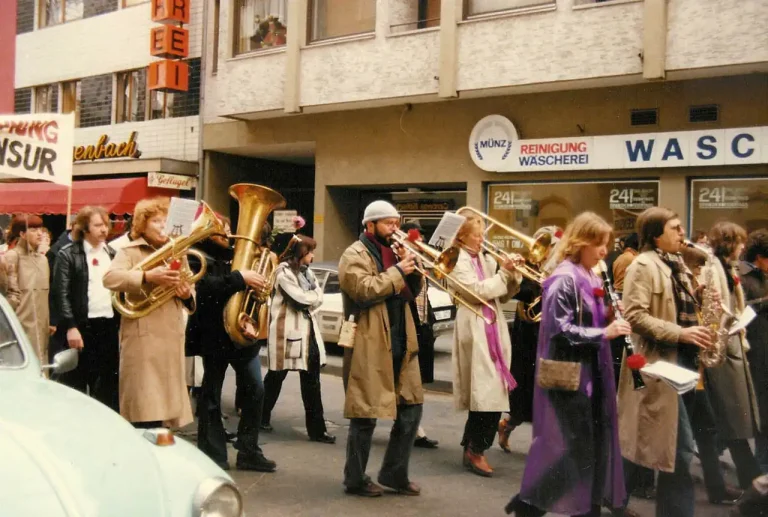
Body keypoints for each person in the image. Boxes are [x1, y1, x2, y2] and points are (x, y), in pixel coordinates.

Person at [505, 212, 630, 517]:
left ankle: (545, 503)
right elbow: (559, 330)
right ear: (581, 242)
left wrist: (611, 314)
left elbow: (588, 318)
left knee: (592, 446)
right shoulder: (564, 278)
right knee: (579, 448)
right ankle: (532, 503)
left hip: (593, 372)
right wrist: (605, 331)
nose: (604, 251)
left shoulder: (592, 274)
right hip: (571, 376)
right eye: (599, 244)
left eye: (606, 244)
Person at [618, 207, 713, 517]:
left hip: (683, 366)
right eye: (674, 228)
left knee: (649, 446)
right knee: (678, 450)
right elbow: (634, 315)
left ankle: (610, 496)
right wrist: (681, 333)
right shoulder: (642, 266)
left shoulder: (678, 266)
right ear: (656, 235)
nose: (681, 233)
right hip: (658, 365)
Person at [339, 200, 424, 497]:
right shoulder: (354, 254)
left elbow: (413, 292)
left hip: (402, 337)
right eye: (389, 224)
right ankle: (355, 478)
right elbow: (364, 290)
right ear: (370, 225)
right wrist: (399, 270)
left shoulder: (395, 251)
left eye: (396, 223)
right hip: (371, 340)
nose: (395, 229)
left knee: (412, 408)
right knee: (366, 414)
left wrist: (413, 269)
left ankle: (394, 473)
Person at [188, 216, 277, 472]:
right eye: (221, 230)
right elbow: (202, 288)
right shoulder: (197, 254)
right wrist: (240, 277)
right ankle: (213, 453)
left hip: (242, 337)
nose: (227, 233)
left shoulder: (242, 254)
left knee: (255, 390)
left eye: (228, 229)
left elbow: (259, 294)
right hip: (213, 335)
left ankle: (249, 450)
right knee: (211, 395)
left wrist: (255, 318)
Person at [103, 197, 194, 429]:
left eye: (166, 221)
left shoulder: (177, 252)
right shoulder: (129, 251)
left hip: (170, 334)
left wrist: (186, 295)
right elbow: (110, 278)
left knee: (166, 405)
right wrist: (146, 276)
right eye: (156, 221)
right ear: (143, 224)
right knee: (145, 403)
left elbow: (190, 286)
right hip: (143, 336)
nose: (162, 226)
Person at [450, 214, 522, 477]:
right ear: (461, 237)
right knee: (486, 392)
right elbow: (476, 290)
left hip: (491, 320)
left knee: (489, 391)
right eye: (477, 235)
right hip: (475, 323)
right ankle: (476, 449)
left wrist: (512, 272)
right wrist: (503, 274)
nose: (483, 240)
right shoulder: (456, 258)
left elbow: (501, 294)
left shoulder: (482, 257)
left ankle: (472, 444)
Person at [701, 222, 762, 489]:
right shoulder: (717, 268)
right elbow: (717, 308)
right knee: (732, 419)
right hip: (723, 351)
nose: (742, 247)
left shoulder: (726, 268)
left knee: (730, 420)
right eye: (738, 242)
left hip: (731, 348)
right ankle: (750, 479)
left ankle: (740, 479)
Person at [261, 235, 335, 444]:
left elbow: (318, 296)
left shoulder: (307, 272)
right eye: (310, 251)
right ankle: (260, 417)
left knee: (312, 382)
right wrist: (313, 297)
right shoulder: (282, 273)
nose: (313, 255)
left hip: (307, 332)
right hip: (286, 332)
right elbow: (301, 300)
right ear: (300, 253)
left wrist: (313, 297)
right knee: (275, 378)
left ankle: (317, 431)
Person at [50, 206, 120, 412]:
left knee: (107, 385)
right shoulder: (68, 254)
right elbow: (60, 293)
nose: (104, 230)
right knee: (76, 385)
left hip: (107, 325)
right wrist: (71, 326)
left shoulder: (112, 253)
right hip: (81, 326)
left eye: (106, 225)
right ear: (85, 227)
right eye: (98, 225)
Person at [499, 226, 561, 454]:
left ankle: (545, 443)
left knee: (547, 390)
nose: (548, 251)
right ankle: (508, 424)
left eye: (551, 246)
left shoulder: (560, 267)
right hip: (528, 334)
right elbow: (518, 293)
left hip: (551, 332)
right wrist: (538, 284)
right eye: (546, 245)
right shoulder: (526, 265)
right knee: (525, 387)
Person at [400, 221, 439, 450]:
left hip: (423, 323)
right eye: (418, 237)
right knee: (408, 380)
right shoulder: (403, 260)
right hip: (410, 323)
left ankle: (411, 425)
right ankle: (414, 430)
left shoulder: (420, 259)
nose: (422, 241)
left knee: (420, 379)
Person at [5, 214, 54, 363]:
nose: (40, 233)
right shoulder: (12, 257)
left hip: (42, 328)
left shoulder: (43, 259)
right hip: (19, 328)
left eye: (40, 229)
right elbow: (9, 296)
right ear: (22, 234)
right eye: (33, 230)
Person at [740, 229, 768, 474]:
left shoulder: (761, 275)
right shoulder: (745, 277)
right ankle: (760, 472)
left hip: (763, 350)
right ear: (759, 257)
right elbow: (740, 313)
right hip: (755, 353)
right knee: (762, 414)